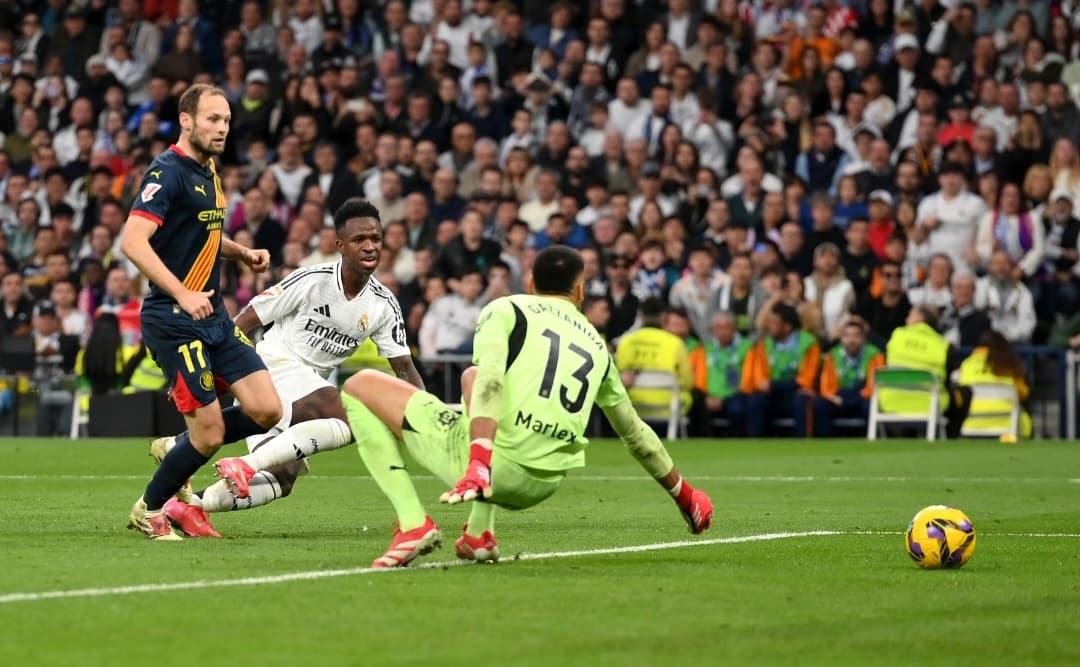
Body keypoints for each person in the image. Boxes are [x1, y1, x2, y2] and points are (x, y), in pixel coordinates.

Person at [337, 246, 713, 567]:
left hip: (496, 470)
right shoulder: (598, 346)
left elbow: (492, 380)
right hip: (545, 482)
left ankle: (412, 522)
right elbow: (635, 434)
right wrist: (684, 493)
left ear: (532, 285)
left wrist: (479, 463)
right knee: (469, 376)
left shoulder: (508, 309)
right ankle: (480, 532)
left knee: (357, 386)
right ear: (580, 291)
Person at [156, 199, 424, 537]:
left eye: (376, 238)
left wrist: (427, 415)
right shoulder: (312, 280)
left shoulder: (384, 304)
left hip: (308, 385)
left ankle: (187, 504)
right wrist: (222, 369)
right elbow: (249, 317)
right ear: (340, 245)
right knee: (349, 414)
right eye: (359, 240)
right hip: (273, 365)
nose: (370, 246)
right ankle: (237, 463)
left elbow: (404, 366)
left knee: (283, 479)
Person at [123, 84, 286, 540]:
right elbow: (132, 241)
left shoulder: (208, 170)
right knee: (211, 435)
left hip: (212, 316)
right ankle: (148, 509)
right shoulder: (167, 172)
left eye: (227, 120)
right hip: (174, 320)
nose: (222, 128)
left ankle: (177, 447)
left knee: (266, 409)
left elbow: (204, 234)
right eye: (213, 119)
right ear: (187, 120)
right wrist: (181, 292)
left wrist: (241, 253)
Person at [740, 302, 821, 438]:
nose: (768, 326)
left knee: (802, 399)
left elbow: (806, 380)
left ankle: (803, 446)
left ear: (787, 326)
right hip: (774, 394)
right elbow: (761, 381)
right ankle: (755, 445)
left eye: (773, 322)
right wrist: (770, 385)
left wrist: (774, 385)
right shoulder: (764, 345)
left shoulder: (809, 344)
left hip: (796, 393)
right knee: (756, 401)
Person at [616, 297, 694, 425]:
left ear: (640, 316)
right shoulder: (675, 343)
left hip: (633, 407)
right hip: (669, 408)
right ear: (664, 317)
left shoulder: (625, 342)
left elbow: (618, 379)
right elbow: (688, 382)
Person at [956, 330, 1033, 438]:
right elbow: (1023, 394)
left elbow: (959, 396)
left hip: (970, 424)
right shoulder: (1011, 365)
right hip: (1007, 425)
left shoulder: (966, 365)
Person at [813, 319, 884, 437]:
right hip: (839, 397)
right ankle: (825, 444)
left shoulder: (875, 355)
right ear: (841, 338)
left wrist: (848, 401)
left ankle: (870, 441)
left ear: (863, 338)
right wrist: (835, 397)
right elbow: (826, 387)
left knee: (870, 405)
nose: (851, 340)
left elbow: (873, 387)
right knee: (820, 405)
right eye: (847, 336)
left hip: (861, 398)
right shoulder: (832, 355)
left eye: (856, 336)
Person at [689, 311, 750, 436]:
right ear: (713, 330)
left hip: (735, 394)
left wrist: (722, 399)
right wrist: (707, 396)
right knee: (695, 404)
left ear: (734, 329)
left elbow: (748, 378)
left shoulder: (747, 348)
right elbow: (695, 376)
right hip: (707, 396)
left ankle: (736, 443)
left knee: (737, 408)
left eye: (726, 327)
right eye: (718, 328)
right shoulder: (704, 349)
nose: (722, 332)